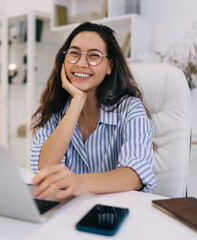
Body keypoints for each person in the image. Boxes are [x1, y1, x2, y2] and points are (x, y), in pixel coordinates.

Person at [29, 22, 156, 200]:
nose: (81, 63)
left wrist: (79, 182)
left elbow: (136, 174)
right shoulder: (54, 109)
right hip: (68, 210)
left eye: (94, 56)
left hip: (115, 212)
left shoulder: (130, 109)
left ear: (109, 66)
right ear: (63, 61)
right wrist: (77, 102)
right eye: (74, 53)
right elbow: (46, 167)